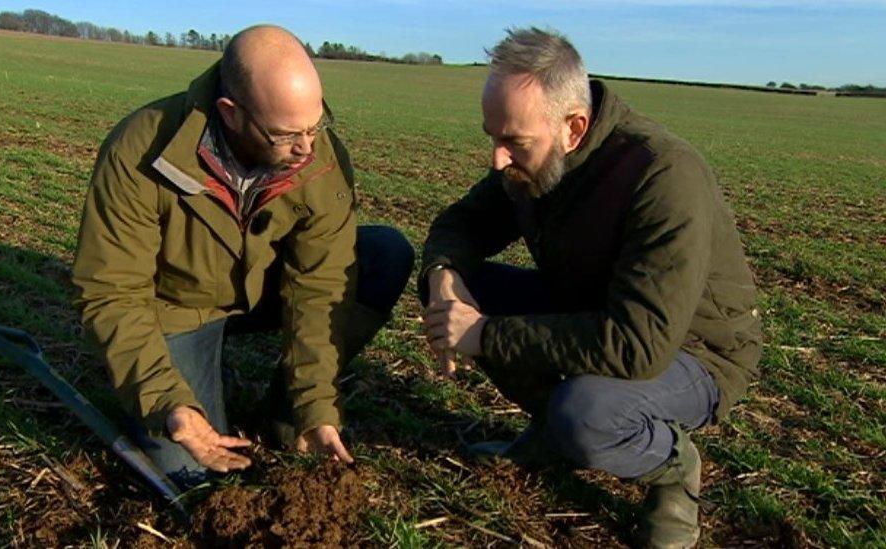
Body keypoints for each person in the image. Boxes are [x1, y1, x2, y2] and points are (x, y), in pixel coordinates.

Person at [420, 27, 761, 548]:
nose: (498, 159)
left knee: (586, 411)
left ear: (573, 127)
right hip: (591, 308)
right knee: (468, 290)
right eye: (492, 137)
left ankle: (674, 469)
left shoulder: (661, 175)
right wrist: (444, 279)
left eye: (513, 142)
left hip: (695, 351)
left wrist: (485, 336)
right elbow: (462, 224)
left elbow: (639, 344)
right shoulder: (534, 162)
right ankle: (551, 435)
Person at [72, 25, 413, 488]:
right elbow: (112, 291)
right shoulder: (140, 150)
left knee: (383, 253)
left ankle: (287, 413)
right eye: (286, 134)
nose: (306, 149)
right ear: (231, 114)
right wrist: (168, 403)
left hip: (262, 288)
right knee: (190, 471)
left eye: (316, 126)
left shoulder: (318, 156)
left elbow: (321, 285)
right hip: (177, 307)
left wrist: (315, 406)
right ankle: (189, 386)